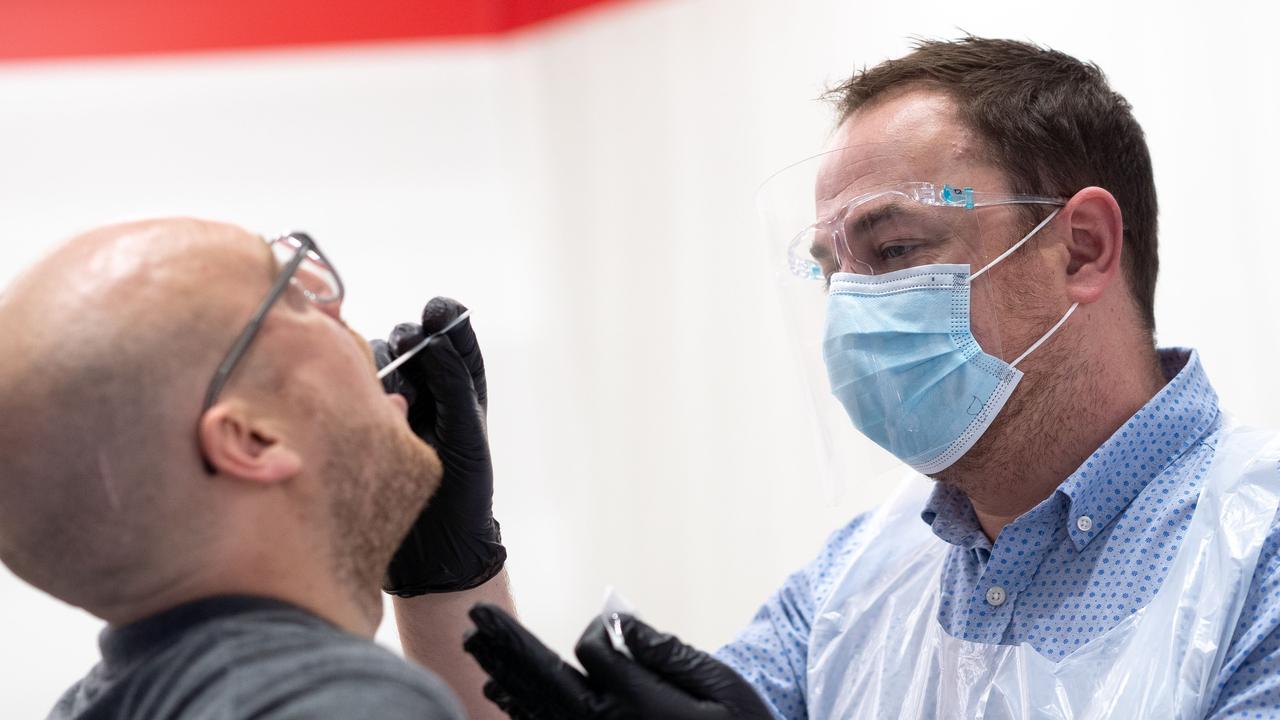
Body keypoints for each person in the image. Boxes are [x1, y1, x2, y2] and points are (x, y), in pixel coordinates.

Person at [461, 37, 1280, 718]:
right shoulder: (860, 579)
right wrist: (447, 565)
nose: (851, 309)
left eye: (894, 251)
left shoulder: (1253, 561)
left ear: (1084, 249)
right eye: (832, 271)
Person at [0, 219, 512, 719]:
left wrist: (449, 581)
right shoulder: (341, 703)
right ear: (253, 439)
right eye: (292, 297)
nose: (340, 311)